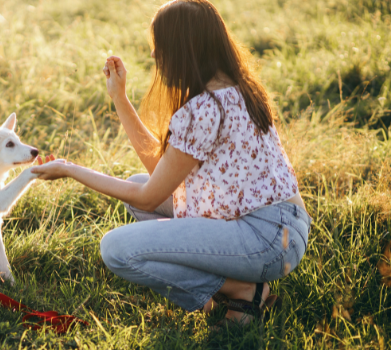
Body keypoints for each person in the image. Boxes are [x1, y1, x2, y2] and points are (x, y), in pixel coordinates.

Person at [30, 0, 311, 327]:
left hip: (266, 240)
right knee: (136, 182)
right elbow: (159, 175)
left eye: (158, 47)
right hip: (284, 229)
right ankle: (241, 289)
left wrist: (69, 169)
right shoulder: (237, 89)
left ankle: (242, 290)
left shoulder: (205, 108)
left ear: (181, 49)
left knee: (116, 249)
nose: (153, 56)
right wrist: (120, 99)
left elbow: (150, 197)